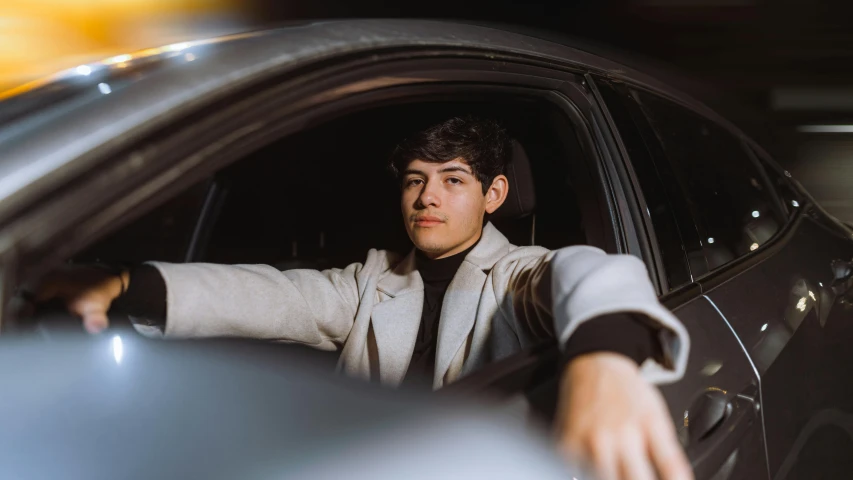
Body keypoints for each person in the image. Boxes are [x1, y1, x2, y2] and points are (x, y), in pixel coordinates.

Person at [35, 116, 693, 480]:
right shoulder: (373, 278)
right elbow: (270, 295)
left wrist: (602, 360)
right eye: (414, 180)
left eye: (452, 180)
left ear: (493, 196)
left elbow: (591, 272)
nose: (427, 197)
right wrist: (124, 281)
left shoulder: (521, 273)